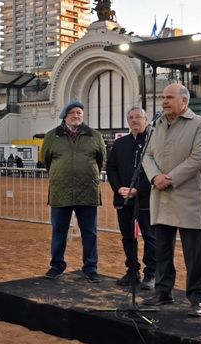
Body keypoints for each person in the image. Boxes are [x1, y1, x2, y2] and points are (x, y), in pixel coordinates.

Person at [140, 84, 201, 316]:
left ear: (184, 101)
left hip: (187, 196)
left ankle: (196, 297)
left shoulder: (199, 124)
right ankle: (163, 292)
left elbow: (199, 158)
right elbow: (147, 156)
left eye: (169, 97)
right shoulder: (156, 125)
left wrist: (169, 178)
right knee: (162, 250)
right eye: (162, 97)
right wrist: (154, 177)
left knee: (194, 253)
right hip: (160, 195)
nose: (164, 101)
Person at [41, 100, 106, 283]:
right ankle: (56, 265)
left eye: (79, 113)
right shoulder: (52, 136)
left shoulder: (94, 135)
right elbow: (46, 161)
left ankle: (90, 267)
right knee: (59, 231)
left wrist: (89, 176)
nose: (76, 116)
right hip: (61, 191)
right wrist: (59, 175)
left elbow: (101, 160)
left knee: (90, 232)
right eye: (72, 113)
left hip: (88, 191)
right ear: (65, 116)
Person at [105, 107, 157, 290]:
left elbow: (155, 170)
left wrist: (138, 190)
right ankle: (132, 271)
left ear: (145, 119)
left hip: (145, 200)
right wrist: (119, 188)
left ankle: (151, 274)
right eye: (131, 118)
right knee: (128, 236)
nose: (134, 121)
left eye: (138, 117)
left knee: (150, 237)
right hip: (123, 199)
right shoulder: (120, 144)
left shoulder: (153, 141)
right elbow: (111, 168)